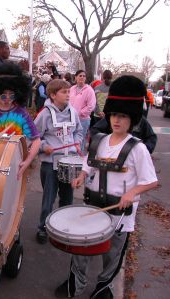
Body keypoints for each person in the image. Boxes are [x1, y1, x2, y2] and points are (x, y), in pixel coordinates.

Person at [55, 75, 158, 299]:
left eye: (122, 116)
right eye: (113, 115)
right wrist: (81, 176)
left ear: (132, 119)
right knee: (81, 249)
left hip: (120, 215)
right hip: (93, 207)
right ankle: (76, 282)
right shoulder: (99, 141)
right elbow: (88, 165)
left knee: (111, 256)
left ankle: (104, 288)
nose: (117, 121)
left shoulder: (137, 149)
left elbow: (151, 180)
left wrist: (132, 192)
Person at [34, 79, 83, 244]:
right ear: (53, 95)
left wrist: (76, 143)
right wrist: (44, 146)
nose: (68, 95)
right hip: (50, 164)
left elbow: (79, 132)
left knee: (67, 198)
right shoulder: (44, 114)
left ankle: (63, 228)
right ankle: (43, 228)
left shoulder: (73, 112)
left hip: (70, 162)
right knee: (48, 199)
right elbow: (33, 137)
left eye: (69, 92)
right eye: (64, 92)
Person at [0, 63, 41, 180]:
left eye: (11, 95)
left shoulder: (22, 114)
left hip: (15, 165)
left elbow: (36, 140)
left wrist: (27, 161)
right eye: (3, 95)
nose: (8, 99)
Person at [90, 115, 157, 154]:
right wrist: (108, 143)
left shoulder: (140, 120)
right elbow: (95, 130)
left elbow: (151, 137)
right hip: (111, 157)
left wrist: (143, 151)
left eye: (123, 116)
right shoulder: (112, 118)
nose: (117, 120)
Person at [69, 70, 96, 151]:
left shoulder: (89, 90)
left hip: (82, 120)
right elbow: (67, 101)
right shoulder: (72, 89)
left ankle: (80, 159)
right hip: (71, 119)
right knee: (71, 139)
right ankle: (71, 158)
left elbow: (91, 105)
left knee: (80, 140)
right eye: (80, 75)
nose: (82, 77)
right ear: (75, 77)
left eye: (84, 76)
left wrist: (80, 113)